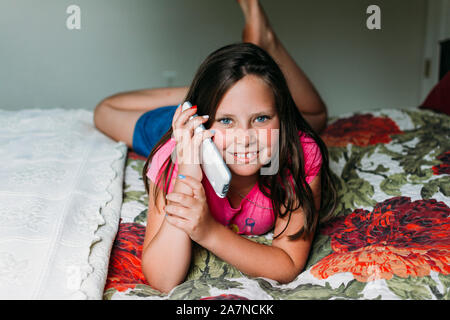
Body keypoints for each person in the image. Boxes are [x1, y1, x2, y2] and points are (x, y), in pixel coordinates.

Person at [94, 0, 336, 293]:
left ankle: (259, 51)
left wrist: (209, 232)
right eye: (226, 120)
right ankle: (194, 96)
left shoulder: (298, 153)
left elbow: (286, 263)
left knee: (317, 117)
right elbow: (162, 279)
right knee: (105, 111)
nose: (244, 137)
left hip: (236, 116)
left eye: (261, 118)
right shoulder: (174, 157)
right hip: (177, 129)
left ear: (281, 118)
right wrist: (187, 175)